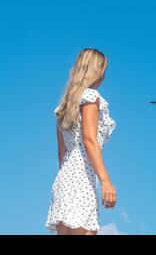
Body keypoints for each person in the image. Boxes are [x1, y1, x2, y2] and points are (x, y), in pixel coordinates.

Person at [45, 48, 117, 235]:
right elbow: (89, 140)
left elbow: (62, 153)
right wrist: (106, 181)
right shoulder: (91, 97)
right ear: (97, 71)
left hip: (64, 180)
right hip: (83, 178)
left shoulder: (63, 107)